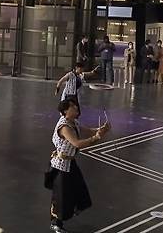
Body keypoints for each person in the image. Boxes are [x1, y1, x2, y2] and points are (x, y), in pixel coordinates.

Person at [47, 98, 110, 233]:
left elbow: (85, 130)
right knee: (61, 196)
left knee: (80, 188)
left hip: (70, 162)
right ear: (65, 111)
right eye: (72, 106)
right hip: (60, 165)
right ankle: (56, 223)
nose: (76, 107)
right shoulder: (64, 127)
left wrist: (99, 130)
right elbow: (77, 143)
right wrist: (97, 137)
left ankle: (74, 207)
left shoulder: (73, 122)